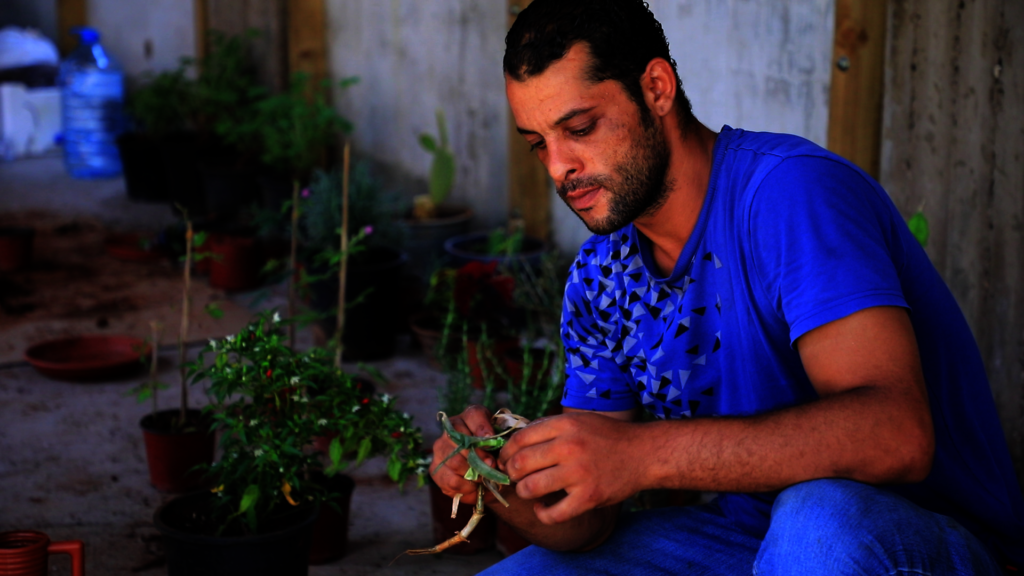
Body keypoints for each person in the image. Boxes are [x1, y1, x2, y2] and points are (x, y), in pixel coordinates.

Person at [429, 1, 1024, 573]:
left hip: (909, 544)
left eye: (579, 128)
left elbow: (898, 435)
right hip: (741, 541)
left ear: (656, 88)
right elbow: (591, 518)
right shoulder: (598, 277)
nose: (559, 166)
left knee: (817, 520)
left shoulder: (788, 195)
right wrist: (502, 480)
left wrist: (643, 456)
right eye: (538, 143)